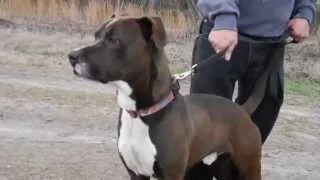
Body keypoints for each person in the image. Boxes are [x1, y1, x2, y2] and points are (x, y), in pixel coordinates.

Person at [185, 0, 316, 180]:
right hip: (224, 34)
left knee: (253, 135)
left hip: (272, 44)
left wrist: (304, 12)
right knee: (201, 136)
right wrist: (224, 16)